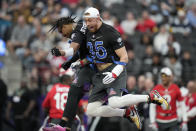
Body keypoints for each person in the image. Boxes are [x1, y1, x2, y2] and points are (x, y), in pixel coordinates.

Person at [46, 15, 141, 131]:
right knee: (77, 94)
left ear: (66, 25)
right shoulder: (80, 29)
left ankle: (64, 125)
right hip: (92, 66)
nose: (62, 34)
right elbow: (82, 51)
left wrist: (61, 53)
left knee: (77, 92)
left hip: (97, 67)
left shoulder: (79, 30)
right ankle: (64, 125)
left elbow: (72, 49)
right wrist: (70, 62)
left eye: (61, 30)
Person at [82, 7, 169, 130]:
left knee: (114, 102)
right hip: (100, 75)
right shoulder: (88, 33)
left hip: (115, 70)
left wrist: (113, 73)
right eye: (86, 21)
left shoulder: (111, 32)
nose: (87, 24)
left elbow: (124, 58)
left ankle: (151, 97)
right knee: (91, 110)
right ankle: (127, 113)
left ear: (97, 18)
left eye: (90, 20)